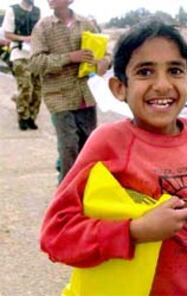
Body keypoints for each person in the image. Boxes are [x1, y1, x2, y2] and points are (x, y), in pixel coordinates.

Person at [40, 20, 187, 295]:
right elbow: (56, 234)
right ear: (119, 88)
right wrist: (136, 230)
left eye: (175, 70)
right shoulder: (109, 142)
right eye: (145, 72)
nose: (162, 85)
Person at [30, 0, 110, 182]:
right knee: (68, 147)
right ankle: (65, 191)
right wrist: (69, 58)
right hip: (59, 95)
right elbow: (35, 63)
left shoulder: (86, 24)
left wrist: (104, 62)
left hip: (86, 95)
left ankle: (83, 187)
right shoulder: (43, 27)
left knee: (88, 145)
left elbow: (105, 53)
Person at [2, 0, 41, 130]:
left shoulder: (37, 11)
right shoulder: (12, 10)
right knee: (25, 86)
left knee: (37, 89)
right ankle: (23, 117)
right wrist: (23, 38)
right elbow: (8, 34)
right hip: (19, 53)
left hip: (35, 54)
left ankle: (32, 117)